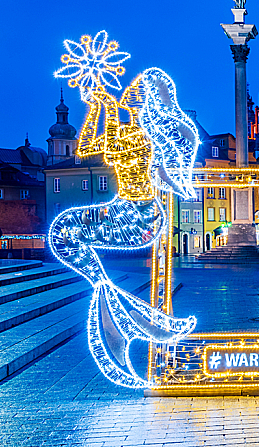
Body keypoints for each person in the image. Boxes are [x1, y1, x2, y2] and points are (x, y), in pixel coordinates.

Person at [48, 67, 199, 388]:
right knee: (62, 231)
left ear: (145, 104)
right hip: (120, 210)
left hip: (141, 216)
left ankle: (126, 318)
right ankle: (127, 313)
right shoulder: (124, 132)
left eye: (136, 93)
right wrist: (96, 108)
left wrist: (106, 108)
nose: (129, 94)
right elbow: (86, 148)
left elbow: (100, 146)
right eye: (131, 92)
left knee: (65, 231)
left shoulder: (147, 138)